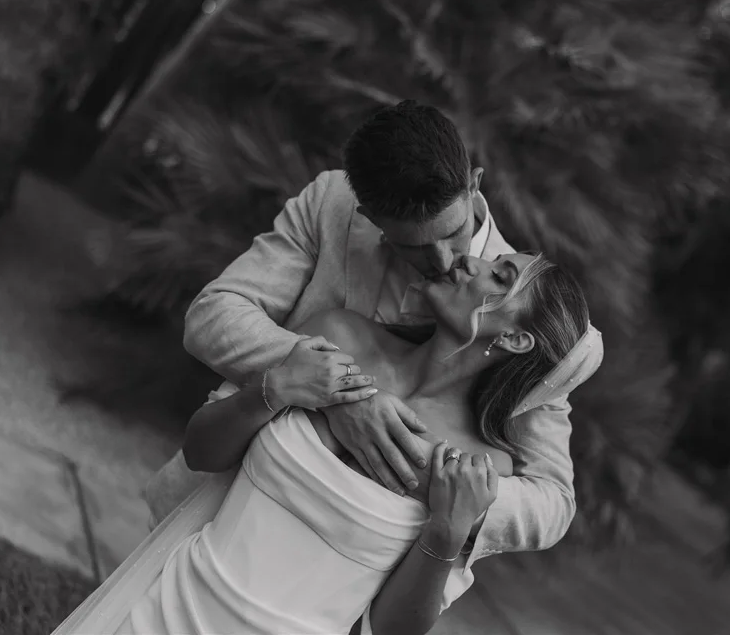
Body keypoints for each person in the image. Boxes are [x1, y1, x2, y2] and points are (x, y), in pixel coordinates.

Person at [52, 252, 603, 634]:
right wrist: (273, 389)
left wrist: (446, 530)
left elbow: (392, 628)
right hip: (169, 604)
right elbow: (202, 452)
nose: (473, 261)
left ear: (513, 337)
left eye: (500, 278)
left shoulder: (481, 469)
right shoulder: (340, 336)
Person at [143, 100, 587, 569]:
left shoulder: (533, 309)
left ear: (474, 184)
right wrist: (341, 392)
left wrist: (436, 481)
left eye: (452, 233)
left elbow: (552, 501)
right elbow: (215, 314)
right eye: (412, 245)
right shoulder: (332, 204)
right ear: (370, 215)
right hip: (209, 508)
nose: (442, 262)